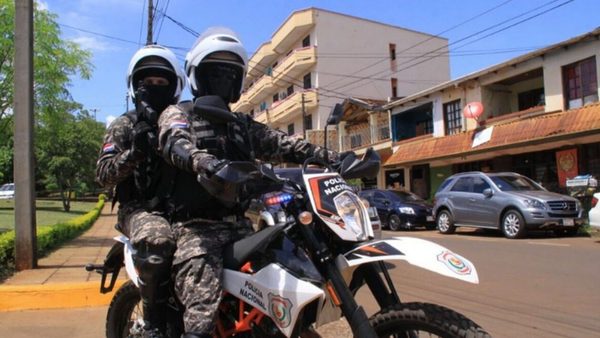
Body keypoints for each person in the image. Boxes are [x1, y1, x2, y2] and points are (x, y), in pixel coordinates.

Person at [156, 27, 340, 338]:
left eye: (230, 75)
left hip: (240, 227)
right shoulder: (179, 113)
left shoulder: (241, 125)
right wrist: (201, 160)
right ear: (197, 76)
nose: (223, 81)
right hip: (195, 231)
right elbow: (175, 142)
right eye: (214, 73)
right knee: (201, 314)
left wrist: (334, 158)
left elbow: (285, 144)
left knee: (290, 281)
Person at [96, 44, 185, 338]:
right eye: (148, 83)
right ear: (136, 86)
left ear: (174, 87)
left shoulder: (182, 122)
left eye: (162, 83)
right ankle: (153, 325)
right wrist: (134, 152)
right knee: (158, 241)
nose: (155, 88)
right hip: (138, 209)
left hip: (181, 208)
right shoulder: (125, 124)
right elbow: (103, 175)